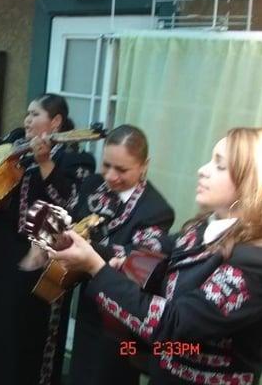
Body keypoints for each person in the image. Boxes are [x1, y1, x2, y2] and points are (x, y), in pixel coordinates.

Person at [51, 127, 262, 384]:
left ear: (250, 182)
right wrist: (83, 247)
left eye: (219, 166)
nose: (202, 169)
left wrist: (96, 267)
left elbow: (174, 324)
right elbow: (150, 250)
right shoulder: (202, 228)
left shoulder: (253, 262)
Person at [0, 93, 96, 385]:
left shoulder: (76, 158)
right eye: (27, 113)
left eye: (35, 114)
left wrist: (45, 163)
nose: (27, 119)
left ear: (56, 121)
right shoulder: (16, 142)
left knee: (24, 330)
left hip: (37, 256)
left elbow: (72, 204)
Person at [68, 124, 175, 385]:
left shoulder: (156, 209)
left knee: (110, 374)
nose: (111, 176)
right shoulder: (93, 185)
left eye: (122, 169)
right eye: (107, 165)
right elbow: (73, 219)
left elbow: (136, 259)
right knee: (80, 372)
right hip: (86, 302)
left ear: (144, 165)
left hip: (121, 318)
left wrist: (84, 248)